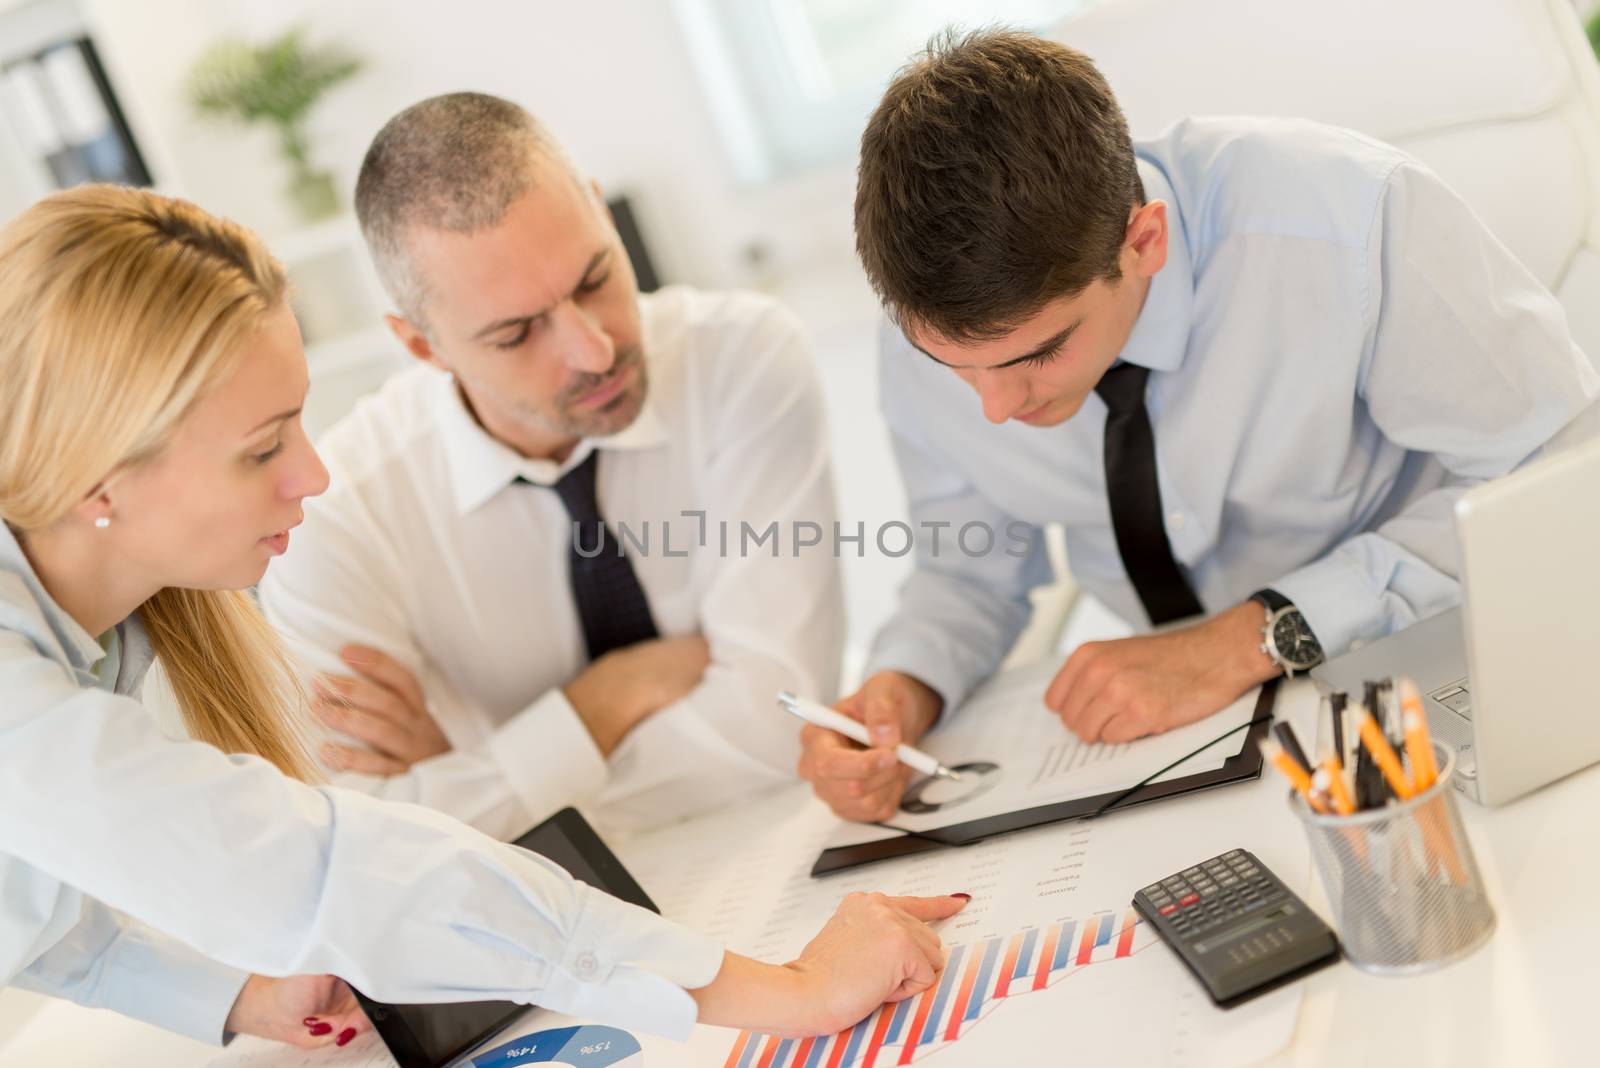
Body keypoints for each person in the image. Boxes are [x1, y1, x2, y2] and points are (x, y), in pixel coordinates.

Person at [0, 184, 964, 1050]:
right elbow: (335, 863)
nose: (314, 474)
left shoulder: (97, 630)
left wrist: (234, 996)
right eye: (263, 450)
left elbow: (40, 909)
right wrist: (785, 990)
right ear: (102, 481)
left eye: (297, 420)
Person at [799, 28, 1600, 822]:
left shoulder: (1342, 221)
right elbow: (969, 574)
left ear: (1144, 241)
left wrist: (1249, 639)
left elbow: (1556, 469)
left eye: (1038, 354)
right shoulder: (939, 326)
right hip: (1194, 740)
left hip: (1431, 666)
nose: (995, 409)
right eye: (954, 367)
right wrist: (901, 689)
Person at [257, 92, 842, 838]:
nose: (593, 350)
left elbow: (774, 722)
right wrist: (601, 703)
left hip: (782, 839)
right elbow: (360, 840)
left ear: (598, 211)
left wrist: (478, 790)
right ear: (422, 346)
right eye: (517, 333)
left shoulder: (741, 359)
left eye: (595, 278)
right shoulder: (337, 514)